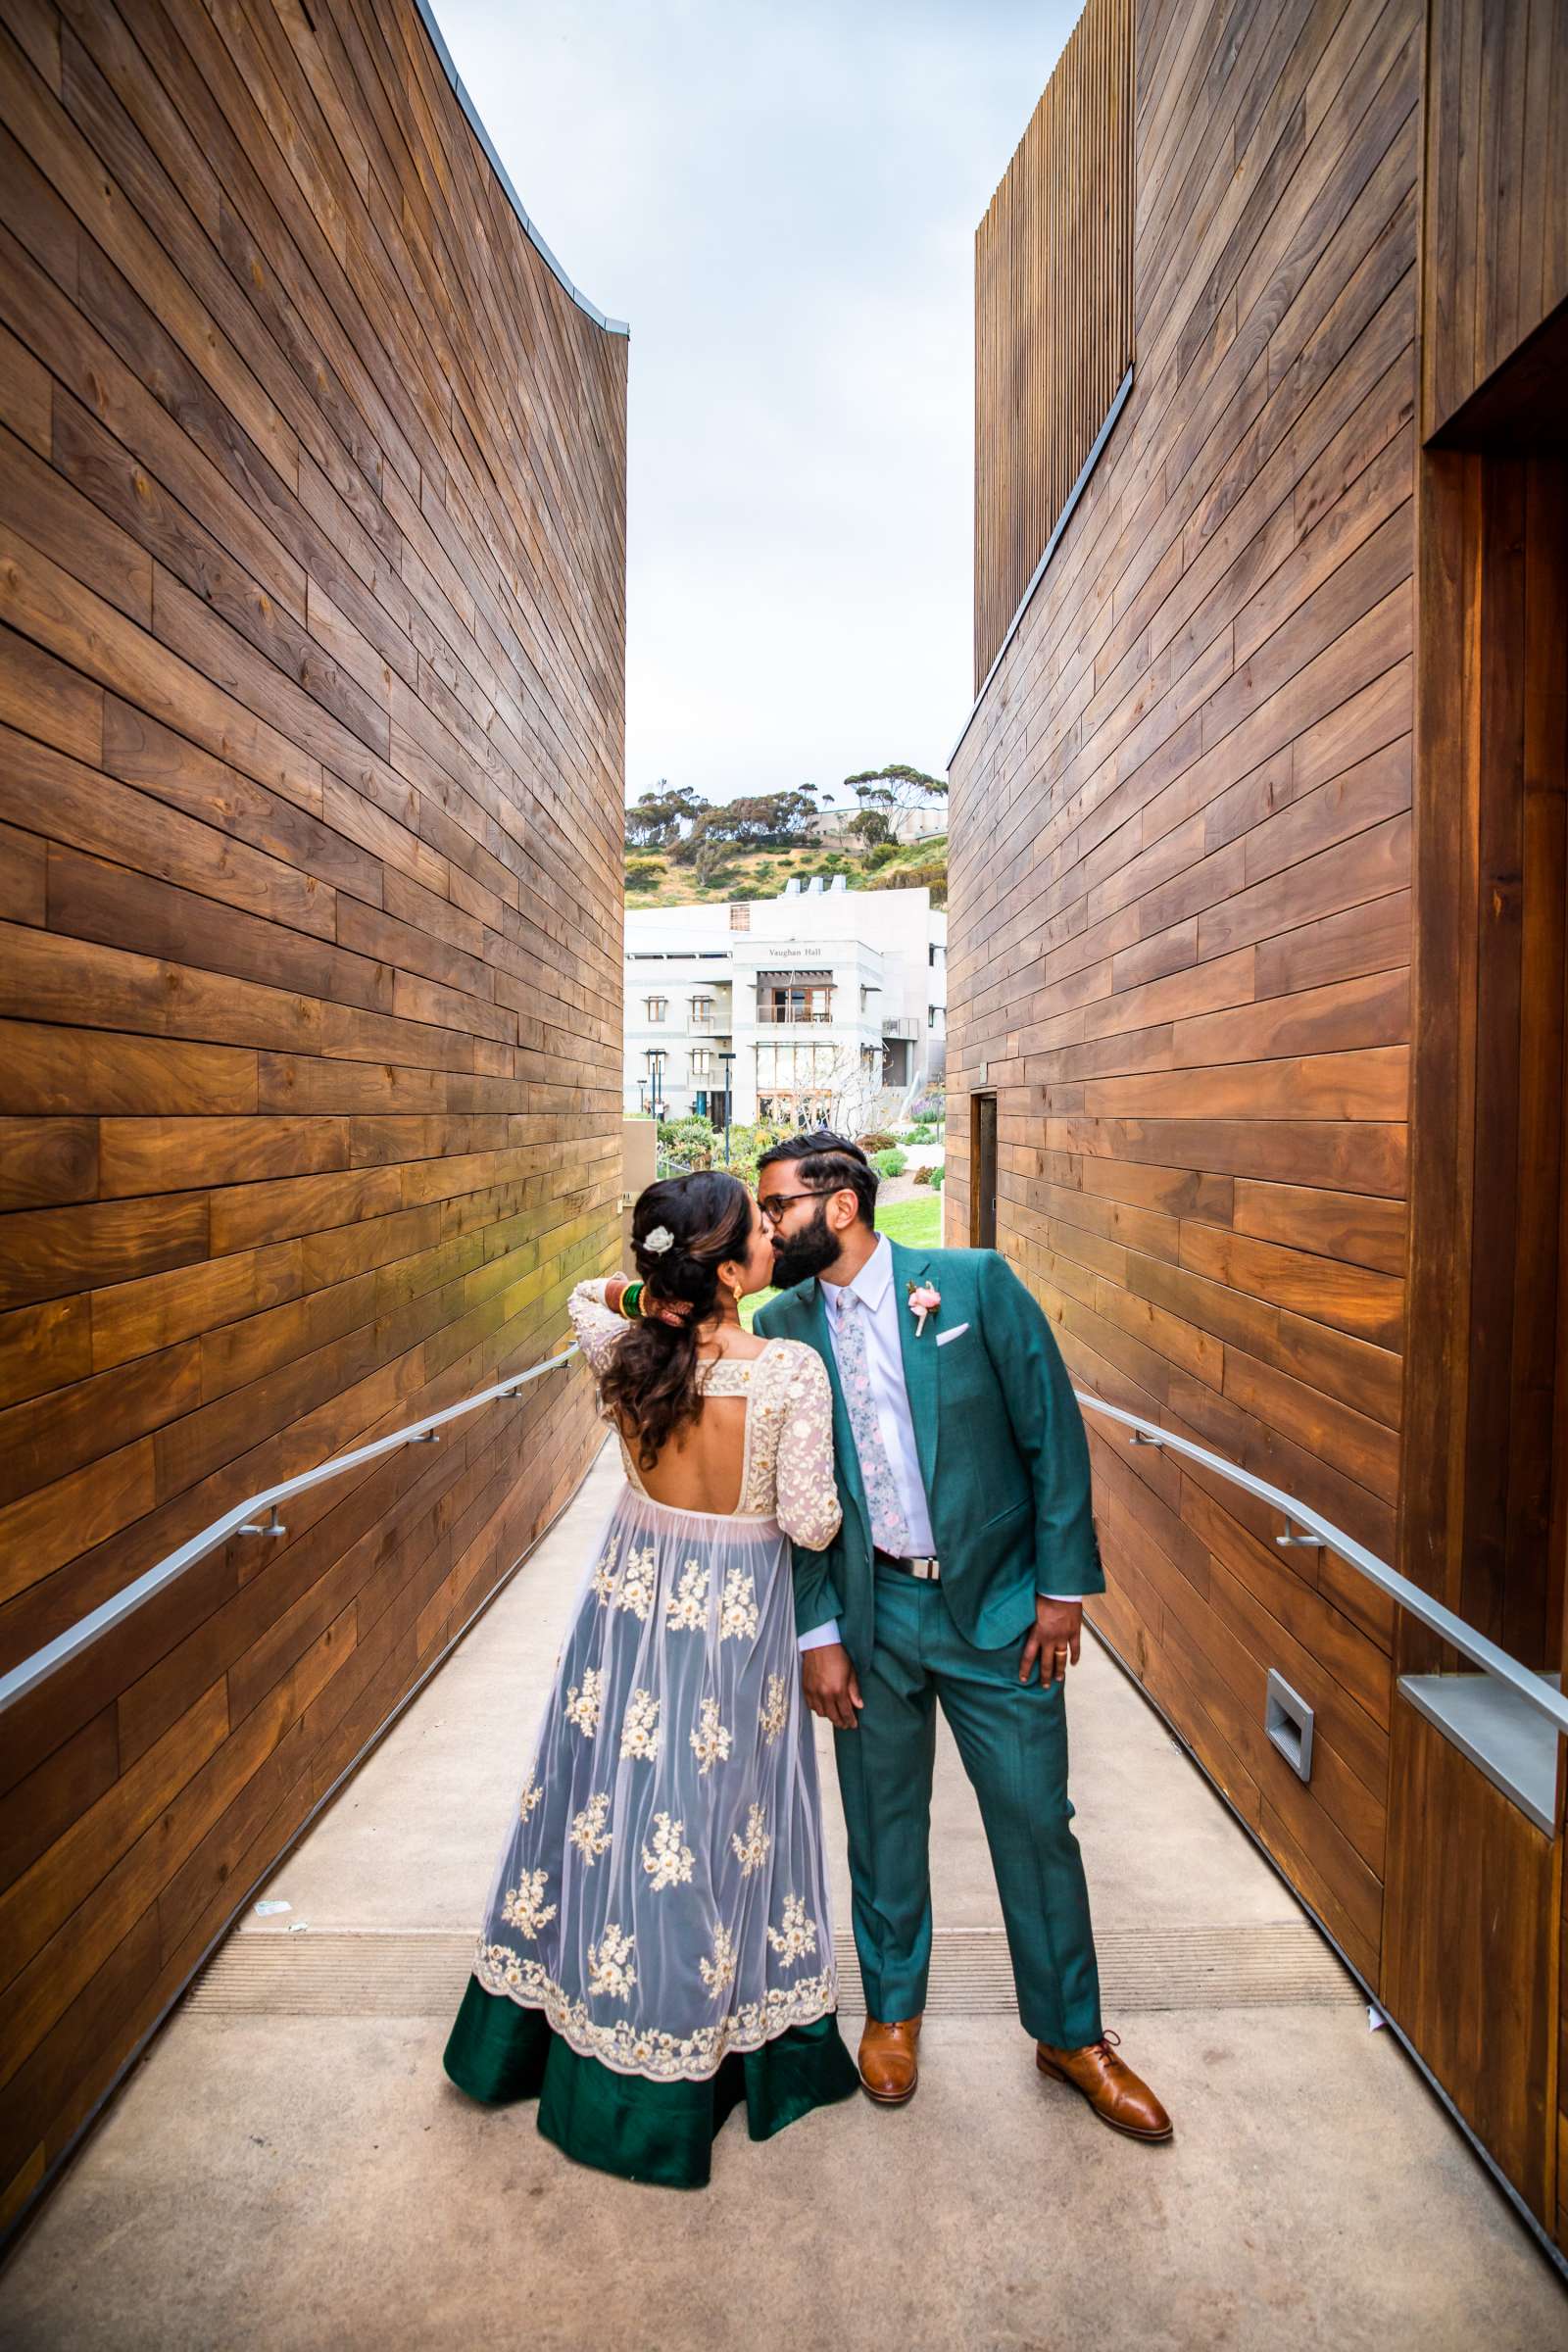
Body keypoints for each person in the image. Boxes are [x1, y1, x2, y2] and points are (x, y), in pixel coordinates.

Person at [753, 1131, 1171, 2141]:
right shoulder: (781, 1325)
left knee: (1034, 1821)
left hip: (996, 1610)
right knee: (881, 1819)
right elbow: (793, 1497)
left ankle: (1071, 2035)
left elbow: (1050, 1435)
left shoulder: (972, 1285)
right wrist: (817, 1633)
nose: (767, 1227)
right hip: (870, 1612)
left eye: (776, 1208)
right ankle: (894, 2011)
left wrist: (1061, 1589)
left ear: (839, 1206)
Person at [443, 1171, 859, 2186]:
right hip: (733, 1621)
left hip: (631, 1608)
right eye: (756, 1231)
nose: (772, 1236)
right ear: (727, 1271)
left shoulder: (626, 1348)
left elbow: (587, 1297)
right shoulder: (788, 1372)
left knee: (612, 1806)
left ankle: (575, 2029)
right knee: (718, 1820)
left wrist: (655, 1301)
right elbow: (810, 1524)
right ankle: (699, 2046)